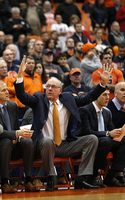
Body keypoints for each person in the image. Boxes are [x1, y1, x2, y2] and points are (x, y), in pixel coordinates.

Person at [14, 55, 112, 191]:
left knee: (91, 139)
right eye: (47, 86)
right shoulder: (38, 99)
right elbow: (22, 97)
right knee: (48, 141)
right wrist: (19, 78)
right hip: (44, 145)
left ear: (60, 90)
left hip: (65, 144)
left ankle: (82, 178)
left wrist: (102, 84)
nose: (49, 89)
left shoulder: (68, 98)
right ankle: (50, 178)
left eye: (53, 87)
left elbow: (88, 98)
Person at [0, 80, 40, 193]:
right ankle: (5, 182)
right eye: (3, 90)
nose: (7, 92)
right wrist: (15, 135)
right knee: (6, 141)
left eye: (7, 89)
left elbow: (15, 126)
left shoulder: (12, 105)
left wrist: (18, 136)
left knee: (27, 141)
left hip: (14, 144)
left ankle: (29, 181)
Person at [79, 89, 125, 188]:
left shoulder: (106, 112)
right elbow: (86, 132)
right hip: (90, 141)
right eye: (104, 95)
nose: (108, 97)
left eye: (108, 95)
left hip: (105, 141)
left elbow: (112, 129)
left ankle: (111, 176)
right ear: (96, 96)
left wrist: (122, 132)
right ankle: (93, 176)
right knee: (106, 141)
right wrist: (108, 133)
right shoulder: (85, 110)